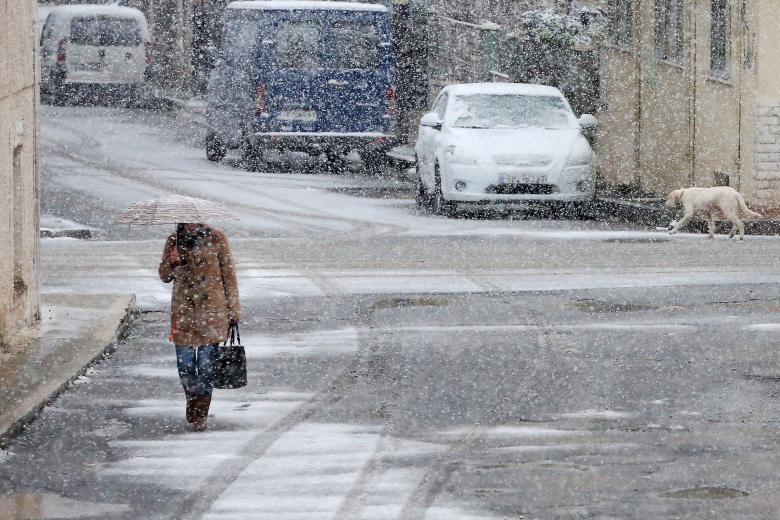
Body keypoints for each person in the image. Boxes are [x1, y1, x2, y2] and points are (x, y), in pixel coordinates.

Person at [159, 223, 240, 431]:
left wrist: (233, 310)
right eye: (186, 220)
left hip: (212, 312)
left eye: (194, 219)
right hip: (184, 314)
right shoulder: (173, 240)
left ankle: (199, 414)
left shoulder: (217, 238)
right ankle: (194, 402)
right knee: (185, 368)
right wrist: (172, 262)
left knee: (205, 368)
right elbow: (164, 275)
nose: (190, 223)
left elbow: (228, 276)